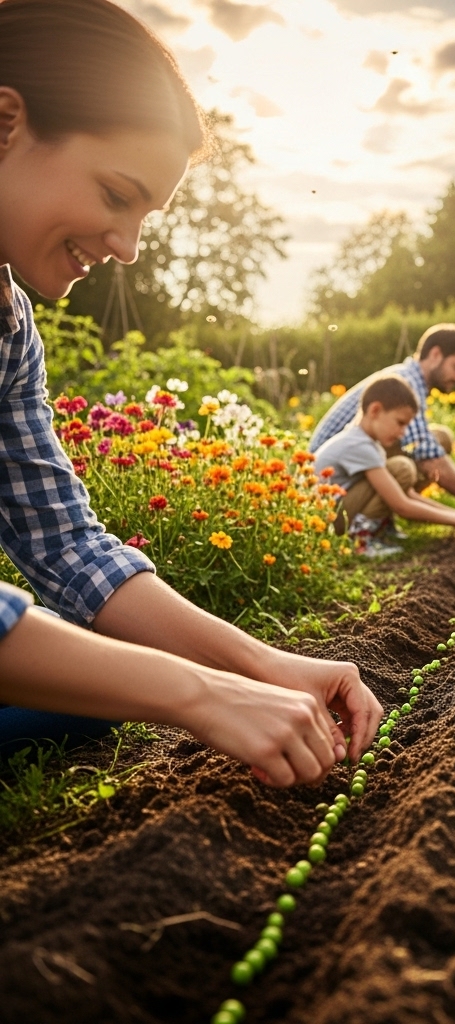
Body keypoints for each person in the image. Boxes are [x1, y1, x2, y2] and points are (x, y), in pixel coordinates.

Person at [0, 0, 382, 781]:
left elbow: (68, 547)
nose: (129, 248)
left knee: (88, 685)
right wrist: (200, 693)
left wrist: (261, 666)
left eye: (146, 215)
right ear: (6, 123)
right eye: (115, 194)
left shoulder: (10, 327)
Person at [310, 324, 455, 534]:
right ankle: (367, 529)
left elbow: (416, 469)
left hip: (347, 478)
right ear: (435, 354)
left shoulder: (406, 380)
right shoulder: (406, 384)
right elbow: (428, 456)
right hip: (331, 489)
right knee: (403, 467)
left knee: (438, 438)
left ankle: (379, 519)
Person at [314, 375, 455, 556]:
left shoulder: (366, 441)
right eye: (400, 423)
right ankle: (362, 540)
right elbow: (401, 505)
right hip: (324, 521)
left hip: (332, 513)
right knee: (401, 469)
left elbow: (407, 494)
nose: (402, 433)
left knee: (398, 471)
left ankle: (374, 531)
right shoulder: (359, 445)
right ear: (375, 410)